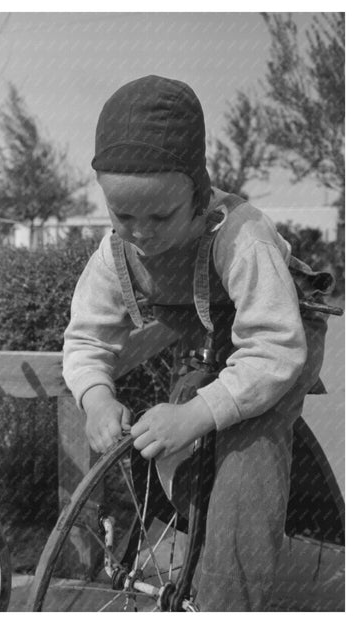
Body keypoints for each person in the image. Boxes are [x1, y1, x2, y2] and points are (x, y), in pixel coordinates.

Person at [63, 75, 332, 611]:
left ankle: (230, 598)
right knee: (180, 456)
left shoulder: (241, 237)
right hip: (211, 350)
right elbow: (86, 339)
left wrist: (198, 415)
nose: (141, 232)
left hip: (271, 354)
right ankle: (202, 567)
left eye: (161, 215)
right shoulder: (115, 253)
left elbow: (274, 350)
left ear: (200, 194)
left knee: (244, 478)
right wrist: (96, 397)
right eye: (123, 215)